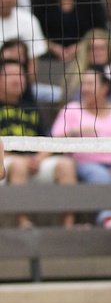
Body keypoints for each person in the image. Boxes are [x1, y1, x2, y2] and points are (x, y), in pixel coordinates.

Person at [0, 57, 77, 227]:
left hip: (33, 162)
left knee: (66, 165)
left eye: (20, 75)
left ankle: (68, 226)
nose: (17, 80)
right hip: (4, 161)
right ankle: (23, 223)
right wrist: (19, 158)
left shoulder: (31, 107)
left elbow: (47, 140)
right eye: (10, 75)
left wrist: (38, 158)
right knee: (19, 165)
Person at [64, 28, 111, 112]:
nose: (97, 52)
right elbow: (70, 106)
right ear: (86, 51)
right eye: (93, 48)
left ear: (110, 51)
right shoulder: (75, 75)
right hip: (83, 118)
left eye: (102, 48)